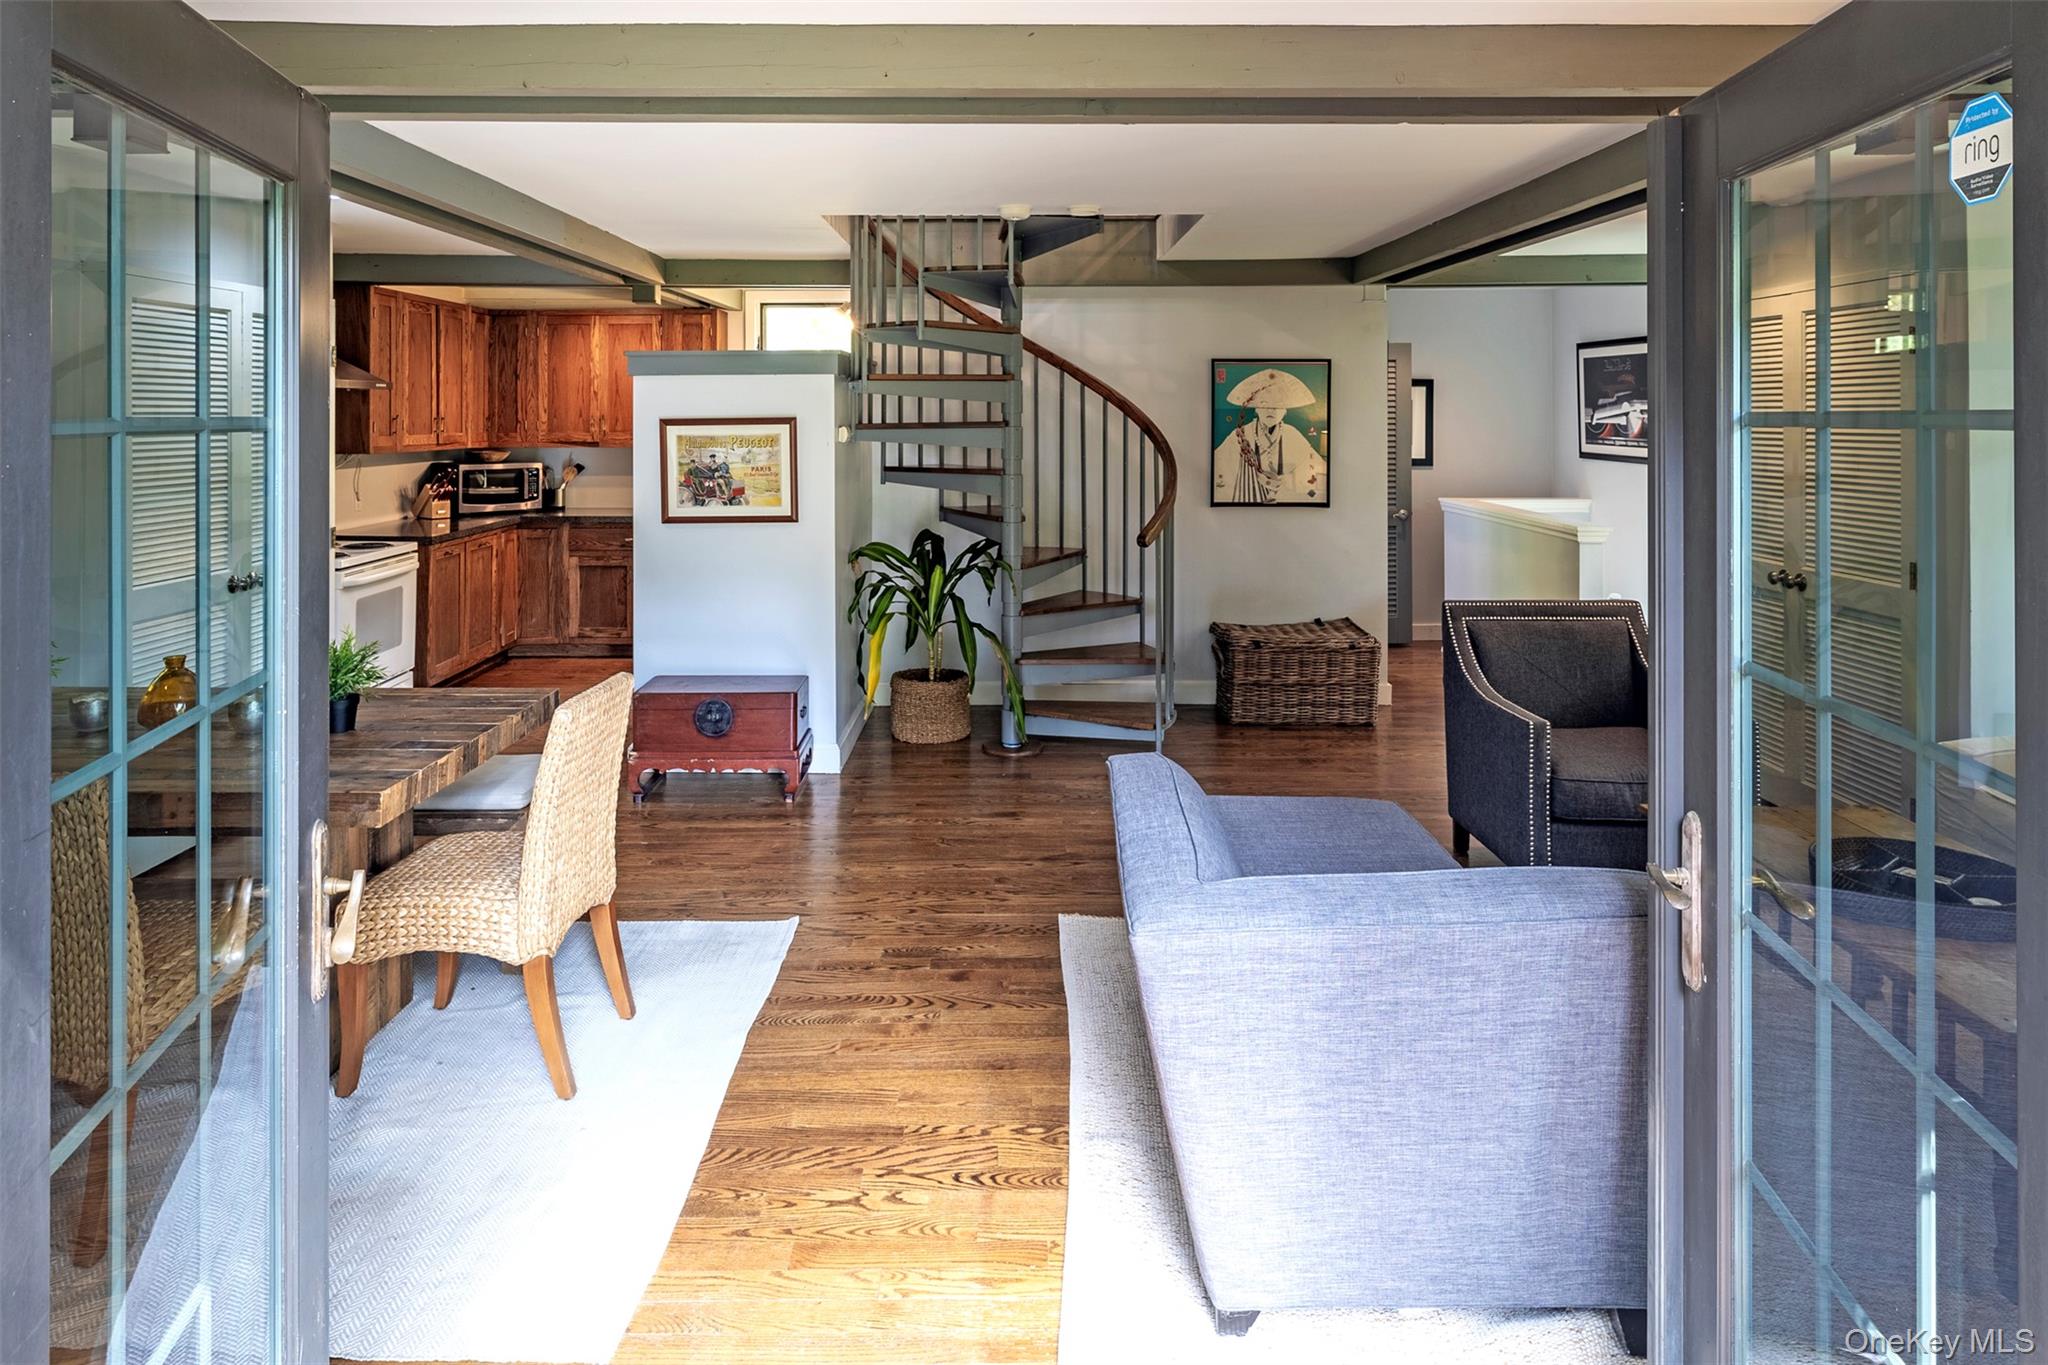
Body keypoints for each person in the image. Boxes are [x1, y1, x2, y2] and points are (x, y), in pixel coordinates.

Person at [1212, 367, 1326, 504]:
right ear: (1256, 410)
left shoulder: (1293, 434)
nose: (1270, 409)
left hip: (1283, 499)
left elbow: (1315, 471)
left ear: (1285, 412)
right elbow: (1219, 465)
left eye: (1277, 406)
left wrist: (1285, 482)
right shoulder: (1241, 435)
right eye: (1264, 404)